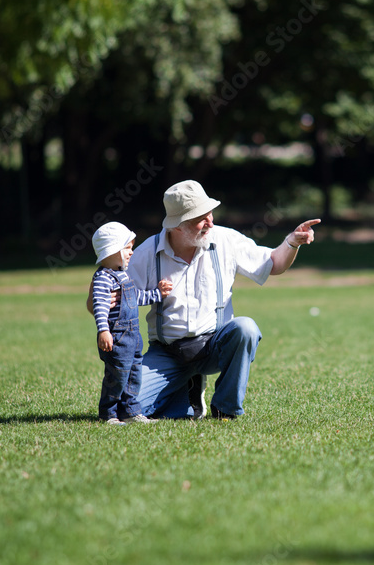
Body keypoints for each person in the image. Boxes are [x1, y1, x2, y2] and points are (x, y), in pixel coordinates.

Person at [92, 180, 320, 420]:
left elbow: (273, 263)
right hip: (168, 353)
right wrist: (104, 296)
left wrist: (292, 242)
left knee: (246, 328)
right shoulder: (147, 252)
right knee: (126, 408)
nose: (210, 222)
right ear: (177, 226)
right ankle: (188, 392)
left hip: (215, 345)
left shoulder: (225, 239)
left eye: (209, 213)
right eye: (200, 218)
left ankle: (225, 408)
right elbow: (100, 298)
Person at [90, 221, 172, 425]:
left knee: (134, 374)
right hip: (117, 338)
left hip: (133, 338)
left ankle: (130, 411)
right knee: (117, 376)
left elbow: (134, 298)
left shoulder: (122, 274)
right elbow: (100, 306)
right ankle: (108, 413)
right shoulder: (103, 278)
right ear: (114, 250)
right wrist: (103, 331)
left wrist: (157, 294)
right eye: (128, 248)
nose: (131, 253)